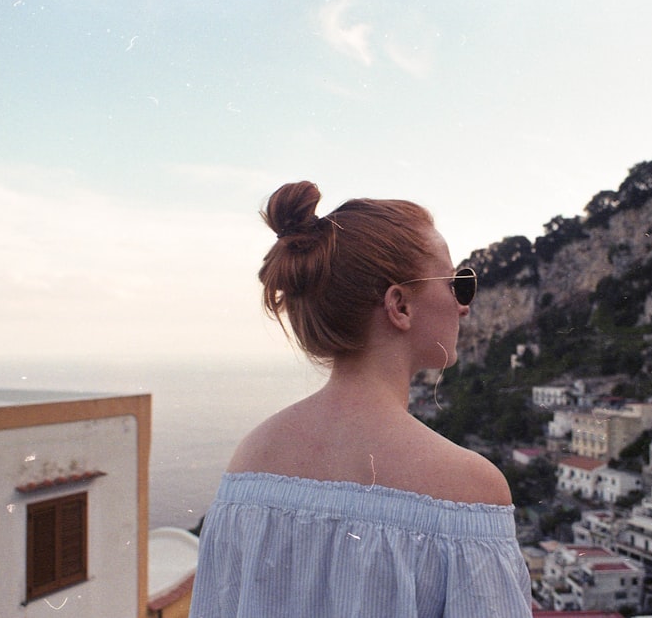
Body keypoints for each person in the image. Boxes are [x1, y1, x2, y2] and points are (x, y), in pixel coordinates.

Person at [188, 181, 532, 617]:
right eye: (456, 284)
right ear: (400, 306)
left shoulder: (249, 461)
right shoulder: (468, 490)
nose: (464, 306)